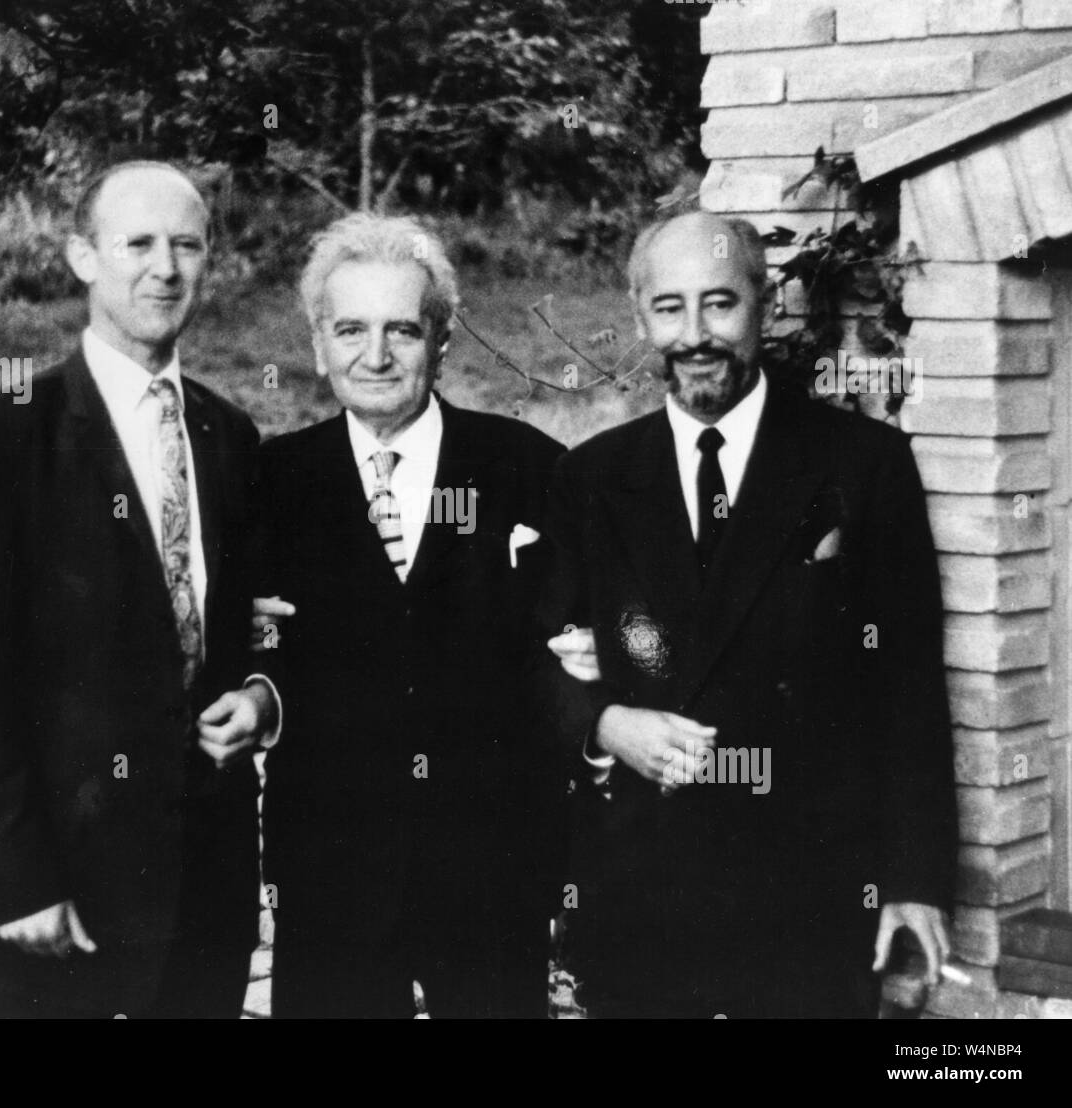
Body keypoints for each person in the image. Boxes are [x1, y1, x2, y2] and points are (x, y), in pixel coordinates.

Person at [538, 211, 957, 1018]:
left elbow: (907, 684)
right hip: (642, 899)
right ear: (640, 318)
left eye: (719, 304)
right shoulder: (590, 478)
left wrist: (912, 881)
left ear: (764, 308)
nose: (695, 334)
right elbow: (532, 662)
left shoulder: (863, 466)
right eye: (670, 309)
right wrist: (607, 724)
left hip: (811, 893)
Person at [0, 161, 277, 1018]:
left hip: (206, 886)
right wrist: (13, 880)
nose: (166, 268)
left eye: (187, 245)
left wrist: (264, 699)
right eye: (139, 244)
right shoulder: (6, 433)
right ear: (83, 257)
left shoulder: (228, 435)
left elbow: (258, 625)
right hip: (67, 888)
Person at [250, 212, 565, 1018]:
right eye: (350, 329)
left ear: (443, 341)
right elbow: (252, 647)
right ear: (318, 347)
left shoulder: (527, 468)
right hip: (331, 859)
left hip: (491, 861)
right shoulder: (271, 484)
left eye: (403, 329)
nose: (376, 355)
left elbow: (569, 651)